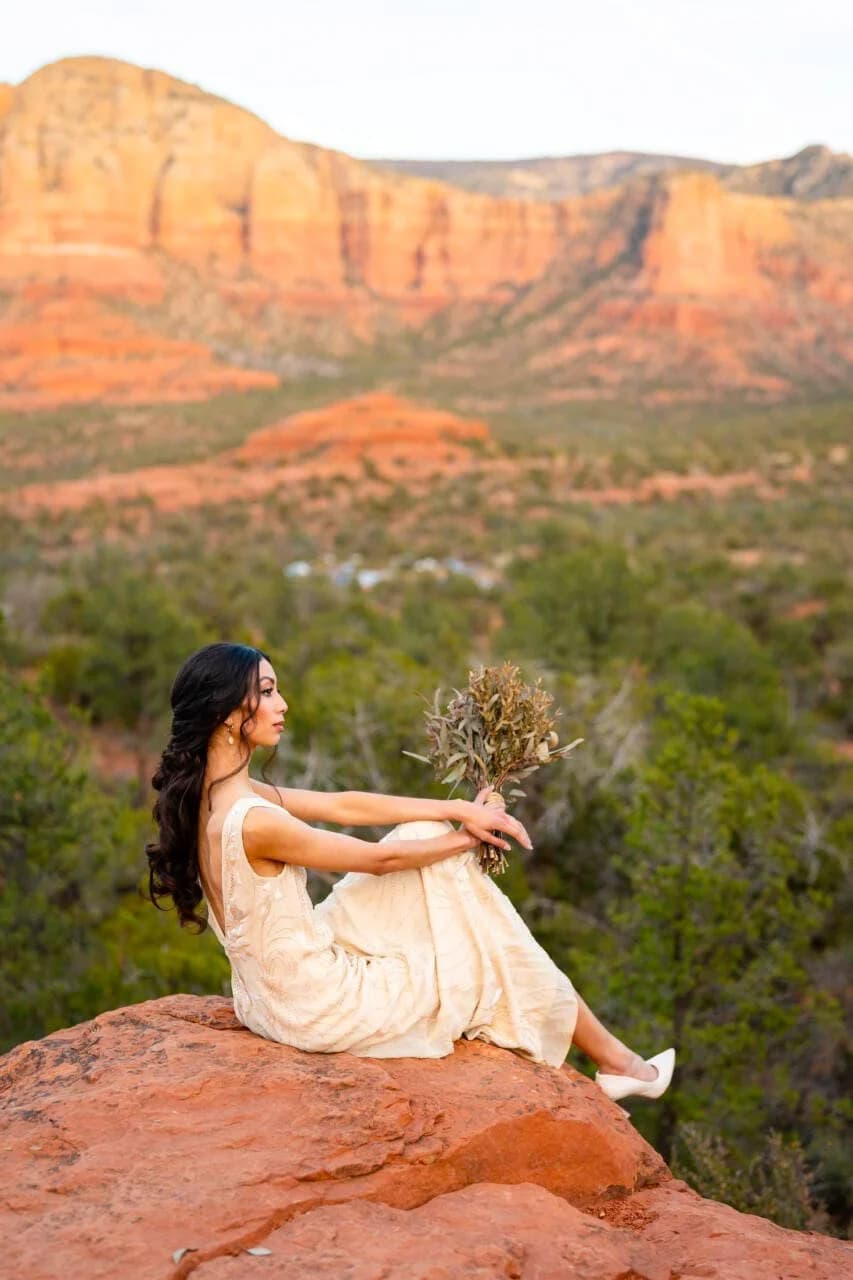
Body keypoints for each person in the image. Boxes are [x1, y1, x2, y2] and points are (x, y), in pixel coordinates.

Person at [146, 642, 674, 1100]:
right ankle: (617, 1060)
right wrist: (465, 839)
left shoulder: (211, 797)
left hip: (264, 998)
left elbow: (345, 804)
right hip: (317, 1007)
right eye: (267, 692)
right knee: (475, 931)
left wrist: (457, 811)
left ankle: (615, 1060)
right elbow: (381, 859)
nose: (282, 705)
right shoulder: (256, 820)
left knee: (426, 843)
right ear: (226, 713)